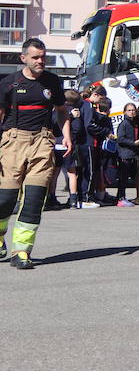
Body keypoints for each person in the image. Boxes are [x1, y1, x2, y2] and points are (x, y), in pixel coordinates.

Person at [0, 39, 70, 269]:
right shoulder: (9, 83)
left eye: (43, 57)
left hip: (43, 141)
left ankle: (21, 251)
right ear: (24, 58)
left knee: (33, 199)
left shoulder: (52, 82)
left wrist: (66, 135)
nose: (41, 61)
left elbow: (61, 111)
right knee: (6, 199)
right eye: (35, 58)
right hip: (13, 141)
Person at [113, 104, 139, 207]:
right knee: (123, 178)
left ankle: (121, 197)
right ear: (125, 112)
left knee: (127, 178)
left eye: (133, 110)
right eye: (129, 110)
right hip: (125, 154)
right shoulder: (124, 124)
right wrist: (133, 143)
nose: (132, 112)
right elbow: (121, 139)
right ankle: (121, 198)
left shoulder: (134, 123)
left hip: (132, 155)